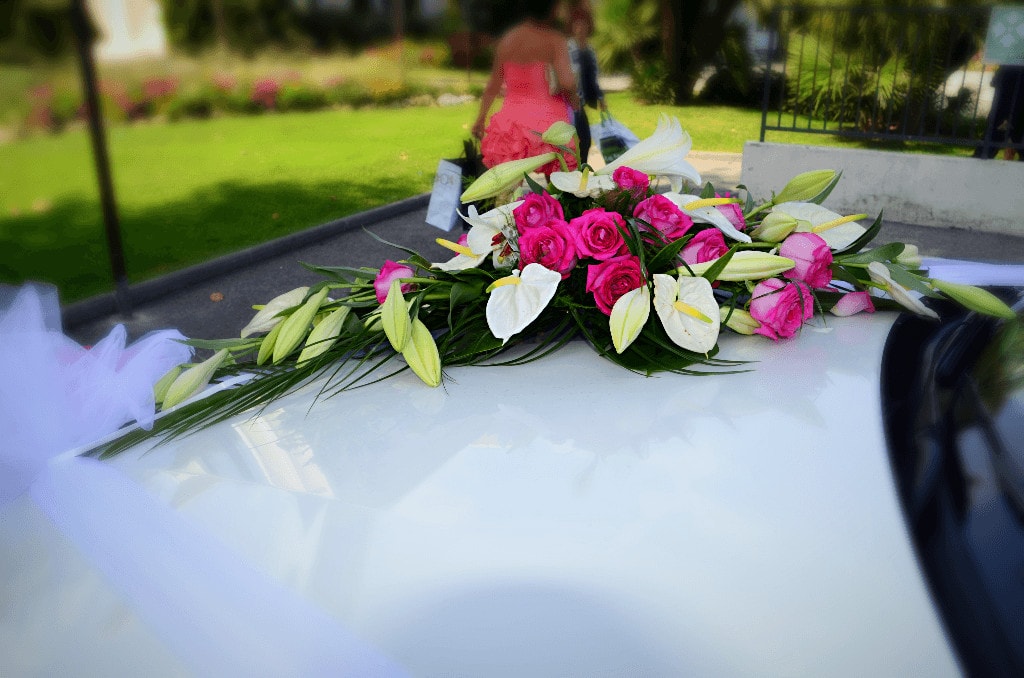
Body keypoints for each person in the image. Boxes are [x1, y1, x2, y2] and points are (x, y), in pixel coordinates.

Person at [472, 0, 580, 174]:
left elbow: (493, 85)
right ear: (551, 9)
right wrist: (575, 100)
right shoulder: (554, 40)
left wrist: (480, 119)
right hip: (548, 122)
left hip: (511, 124)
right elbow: (567, 82)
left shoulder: (507, 40)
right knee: (560, 185)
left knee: (509, 186)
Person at [567, 7, 606, 164]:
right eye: (577, 25)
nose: (581, 29)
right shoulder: (567, 48)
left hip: (581, 102)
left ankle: (579, 174)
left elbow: (593, 76)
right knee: (577, 140)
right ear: (573, 27)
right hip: (569, 103)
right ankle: (573, 174)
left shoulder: (589, 50)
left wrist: (601, 98)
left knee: (585, 140)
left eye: (584, 25)